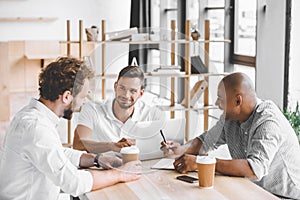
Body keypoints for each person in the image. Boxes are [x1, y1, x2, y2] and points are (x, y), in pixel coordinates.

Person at [0, 57, 141, 199]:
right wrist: (120, 173)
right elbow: (73, 183)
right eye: (83, 96)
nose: (83, 102)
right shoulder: (36, 128)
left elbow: (56, 154)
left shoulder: (32, 117)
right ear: (67, 97)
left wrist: (97, 159)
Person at [161, 72, 300, 199]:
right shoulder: (230, 118)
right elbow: (205, 141)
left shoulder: (268, 122)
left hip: (283, 196)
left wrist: (200, 163)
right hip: (254, 190)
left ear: (238, 101)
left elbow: (254, 169)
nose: (217, 104)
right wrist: (181, 149)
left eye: (221, 99)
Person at [73, 65, 165, 153]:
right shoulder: (92, 109)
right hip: (102, 168)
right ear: (115, 87)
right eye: (122, 88)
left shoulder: (151, 113)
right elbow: (78, 145)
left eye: (132, 91)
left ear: (140, 94)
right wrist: (111, 146)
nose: (126, 95)